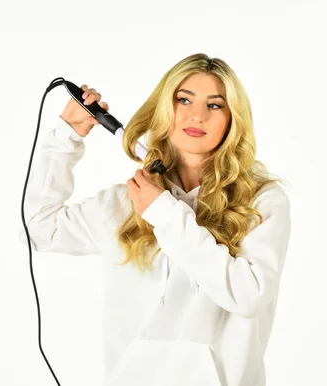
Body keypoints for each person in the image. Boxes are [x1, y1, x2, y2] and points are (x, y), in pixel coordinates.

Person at [19, 53, 291, 386]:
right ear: (165, 108)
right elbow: (36, 227)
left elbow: (249, 296)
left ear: (233, 118)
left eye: (215, 105)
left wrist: (164, 212)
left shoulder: (261, 201)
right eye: (184, 99)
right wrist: (66, 136)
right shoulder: (124, 203)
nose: (197, 115)